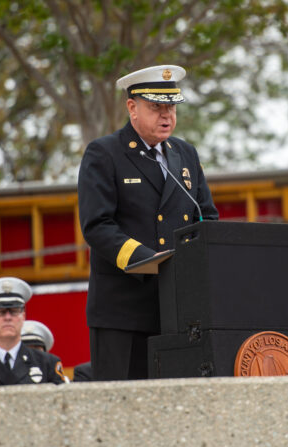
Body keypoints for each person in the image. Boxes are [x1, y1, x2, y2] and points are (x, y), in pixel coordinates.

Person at [77, 65, 218, 381]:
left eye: (171, 106)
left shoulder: (185, 154)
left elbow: (206, 218)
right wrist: (148, 261)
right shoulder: (105, 153)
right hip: (123, 310)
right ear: (132, 108)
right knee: (123, 408)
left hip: (177, 309)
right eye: (156, 106)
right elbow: (97, 224)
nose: (166, 114)